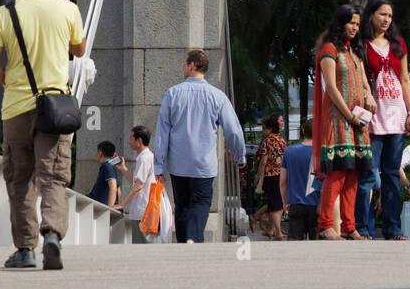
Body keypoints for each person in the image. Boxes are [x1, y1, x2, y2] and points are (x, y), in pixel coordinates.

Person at [0, 0, 85, 270]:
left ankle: (25, 249)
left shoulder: (3, 14)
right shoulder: (67, 9)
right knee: (53, 176)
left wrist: (9, 81)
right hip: (54, 109)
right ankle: (52, 234)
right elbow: (78, 50)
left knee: (20, 178)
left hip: (15, 108)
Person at [154, 49, 246, 242]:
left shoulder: (172, 94)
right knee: (201, 202)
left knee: (181, 205)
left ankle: (183, 241)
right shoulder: (218, 96)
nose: (182, 67)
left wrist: (159, 164)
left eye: (184, 63)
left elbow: (163, 133)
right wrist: (240, 155)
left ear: (192, 65)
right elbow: (234, 131)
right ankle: (194, 239)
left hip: (178, 164)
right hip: (204, 165)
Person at [312, 5, 376, 239]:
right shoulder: (329, 49)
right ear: (340, 23)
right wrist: (350, 116)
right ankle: (326, 224)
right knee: (338, 172)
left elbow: (365, 84)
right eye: (351, 23)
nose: (355, 28)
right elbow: (330, 87)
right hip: (340, 120)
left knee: (354, 174)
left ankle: (349, 227)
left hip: (359, 122)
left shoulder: (355, 53)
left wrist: (369, 96)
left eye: (358, 24)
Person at [359, 0, 410, 240]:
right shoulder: (361, 44)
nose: (386, 20)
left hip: (397, 116)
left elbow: (404, 79)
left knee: (392, 174)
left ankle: (393, 229)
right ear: (371, 15)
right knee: (368, 175)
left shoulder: (397, 43)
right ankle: (364, 228)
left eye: (390, 16)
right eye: (382, 14)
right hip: (372, 119)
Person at [115, 126, 173, 244]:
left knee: (141, 246)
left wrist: (122, 204)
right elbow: (138, 182)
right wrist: (124, 169)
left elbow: (138, 186)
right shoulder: (148, 156)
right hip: (147, 211)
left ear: (139, 141)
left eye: (131, 138)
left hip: (143, 212)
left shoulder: (144, 158)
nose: (129, 141)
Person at [281, 120, 324, 239]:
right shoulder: (322, 153)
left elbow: (282, 182)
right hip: (317, 205)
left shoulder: (289, 151)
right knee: (318, 246)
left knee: (295, 245)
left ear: (303, 131)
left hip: (295, 204)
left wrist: (285, 203)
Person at [251, 113, 287, 240]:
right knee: (277, 203)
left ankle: (276, 231)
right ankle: (274, 230)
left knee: (274, 204)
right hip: (281, 174)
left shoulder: (268, 141)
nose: (263, 131)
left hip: (271, 175)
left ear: (270, 128)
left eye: (264, 128)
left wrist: (258, 176)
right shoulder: (281, 139)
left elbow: (263, 161)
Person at [87, 141, 121, 207]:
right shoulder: (111, 166)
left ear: (100, 153)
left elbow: (113, 187)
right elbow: (118, 189)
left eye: (97, 152)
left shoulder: (107, 166)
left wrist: (110, 209)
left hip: (102, 210)